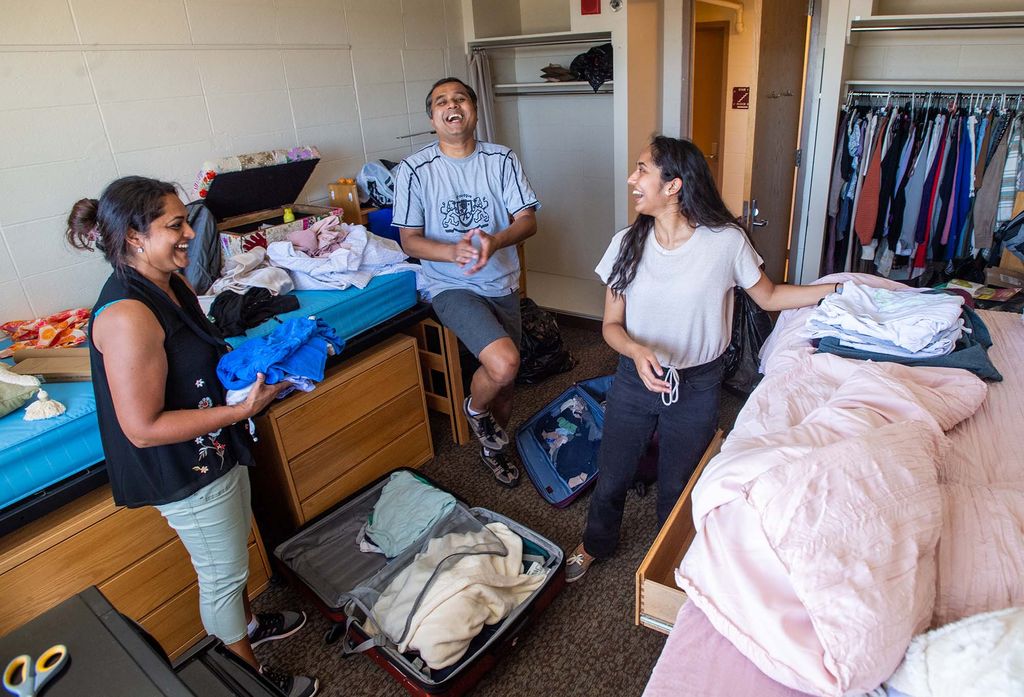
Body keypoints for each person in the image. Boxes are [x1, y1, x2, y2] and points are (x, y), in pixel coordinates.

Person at [67, 176, 318, 697]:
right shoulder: (128, 315)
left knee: (231, 552)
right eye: (175, 224)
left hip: (212, 451)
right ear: (135, 237)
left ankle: (245, 631)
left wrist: (263, 365)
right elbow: (141, 428)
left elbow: (199, 355)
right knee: (223, 576)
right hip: (183, 469)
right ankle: (246, 681)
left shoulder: (168, 281)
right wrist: (239, 412)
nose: (190, 233)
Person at [566, 137, 843, 583]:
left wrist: (836, 289)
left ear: (673, 185)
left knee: (679, 485)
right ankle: (595, 543)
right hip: (636, 379)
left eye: (642, 170)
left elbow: (769, 296)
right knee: (613, 472)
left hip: (697, 384)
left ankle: (668, 564)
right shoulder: (625, 244)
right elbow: (611, 325)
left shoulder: (725, 242)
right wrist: (636, 352)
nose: (631, 179)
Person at [393, 77, 541, 487]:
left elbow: (528, 221)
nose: (451, 105)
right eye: (441, 101)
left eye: (460, 98)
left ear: (474, 110)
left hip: (502, 281)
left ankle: (493, 448)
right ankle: (475, 412)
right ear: (432, 117)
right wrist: (453, 253)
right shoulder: (414, 170)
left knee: (507, 385)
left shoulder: (501, 160)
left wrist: (495, 241)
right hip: (449, 284)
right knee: (505, 361)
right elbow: (409, 239)